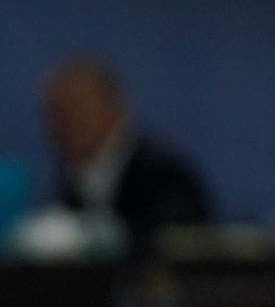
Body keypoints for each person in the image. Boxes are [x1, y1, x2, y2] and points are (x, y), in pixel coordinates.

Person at [43, 54, 211, 247]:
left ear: (114, 107)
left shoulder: (165, 175)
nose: (63, 124)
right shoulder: (70, 176)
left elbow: (174, 242)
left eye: (76, 109)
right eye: (55, 113)